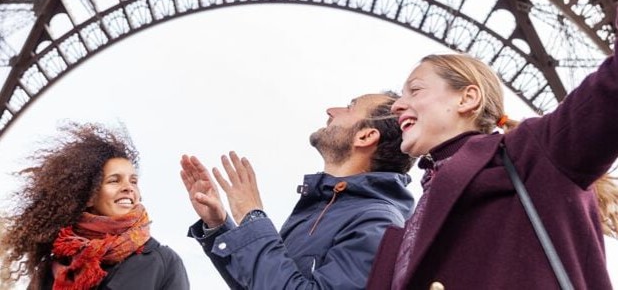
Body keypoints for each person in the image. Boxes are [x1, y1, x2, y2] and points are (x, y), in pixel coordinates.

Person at [366, 49, 618, 289]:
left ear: (467, 98)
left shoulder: (531, 153)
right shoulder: (410, 221)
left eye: (415, 90)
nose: (396, 105)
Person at [181, 92, 415, 289]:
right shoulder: (326, 210)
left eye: (350, 107)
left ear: (365, 136)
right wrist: (219, 225)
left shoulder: (378, 222)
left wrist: (252, 217)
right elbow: (263, 283)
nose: (331, 110)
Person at [0, 123, 190, 289]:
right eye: (114, 180)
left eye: (133, 181)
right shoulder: (51, 267)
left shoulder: (163, 262)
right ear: (89, 196)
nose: (128, 188)